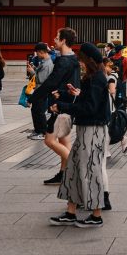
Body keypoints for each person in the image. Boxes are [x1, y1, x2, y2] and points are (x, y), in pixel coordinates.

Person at [49, 43, 110, 228]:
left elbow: (90, 108)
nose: (80, 64)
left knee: (91, 172)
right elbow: (88, 101)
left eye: (82, 60)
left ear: (89, 61)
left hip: (93, 131)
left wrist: (63, 106)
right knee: (73, 170)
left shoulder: (97, 78)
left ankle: (96, 215)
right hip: (86, 130)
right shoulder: (93, 77)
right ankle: (71, 212)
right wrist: (69, 95)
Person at [28, 28, 80, 186]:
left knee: (49, 140)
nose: (54, 39)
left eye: (57, 37)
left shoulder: (64, 61)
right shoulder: (73, 58)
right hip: (68, 103)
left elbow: (51, 82)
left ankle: (76, 170)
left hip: (61, 106)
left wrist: (34, 97)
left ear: (63, 40)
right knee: (64, 141)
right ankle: (63, 174)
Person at [27, 43, 54, 141]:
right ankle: (38, 130)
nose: (36, 55)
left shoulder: (47, 64)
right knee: (35, 110)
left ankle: (43, 132)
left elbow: (40, 80)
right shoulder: (45, 61)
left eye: (37, 53)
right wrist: (34, 68)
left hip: (41, 90)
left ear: (41, 52)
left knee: (39, 111)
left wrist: (32, 72)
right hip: (40, 90)